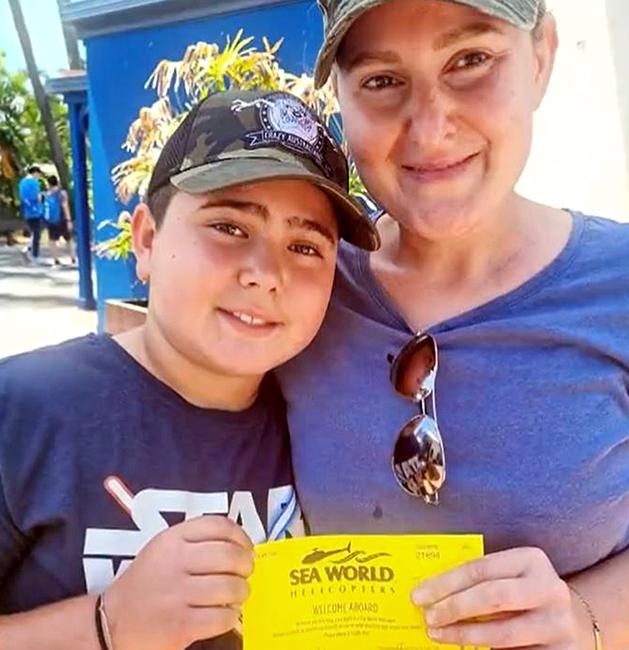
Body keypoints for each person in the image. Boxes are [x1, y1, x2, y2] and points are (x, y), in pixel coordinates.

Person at [279, 1, 629, 648]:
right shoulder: (301, 288)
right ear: (340, 96)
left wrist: (591, 616)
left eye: (470, 61)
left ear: (542, 57)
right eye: (382, 80)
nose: (429, 128)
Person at [0, 89, 378, 650]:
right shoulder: (24, 411)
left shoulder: (328, 423)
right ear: (147, 241)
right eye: (229, 227)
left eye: (304, 247)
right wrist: (108, 623)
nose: (266, 274)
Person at [44, 175, 77, 266]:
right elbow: (65, 206)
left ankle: (55, 259)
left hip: (51, 221)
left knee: (52, 240)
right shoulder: (62, 193)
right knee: (69, 239)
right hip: (62, 219)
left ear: (49, 183)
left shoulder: (47, 194)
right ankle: (73, 258)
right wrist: (69, 220)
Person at [17, 164, 44, 262]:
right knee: (37, 234)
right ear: (35, 173)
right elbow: (38, 197)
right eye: (39, 174)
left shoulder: (22, 182)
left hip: (27, 211)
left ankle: (28, 250)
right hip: (36, 210)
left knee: (34, 232)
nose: (39, 176)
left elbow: (22, 197)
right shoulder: (34, 182)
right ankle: (34, 255)